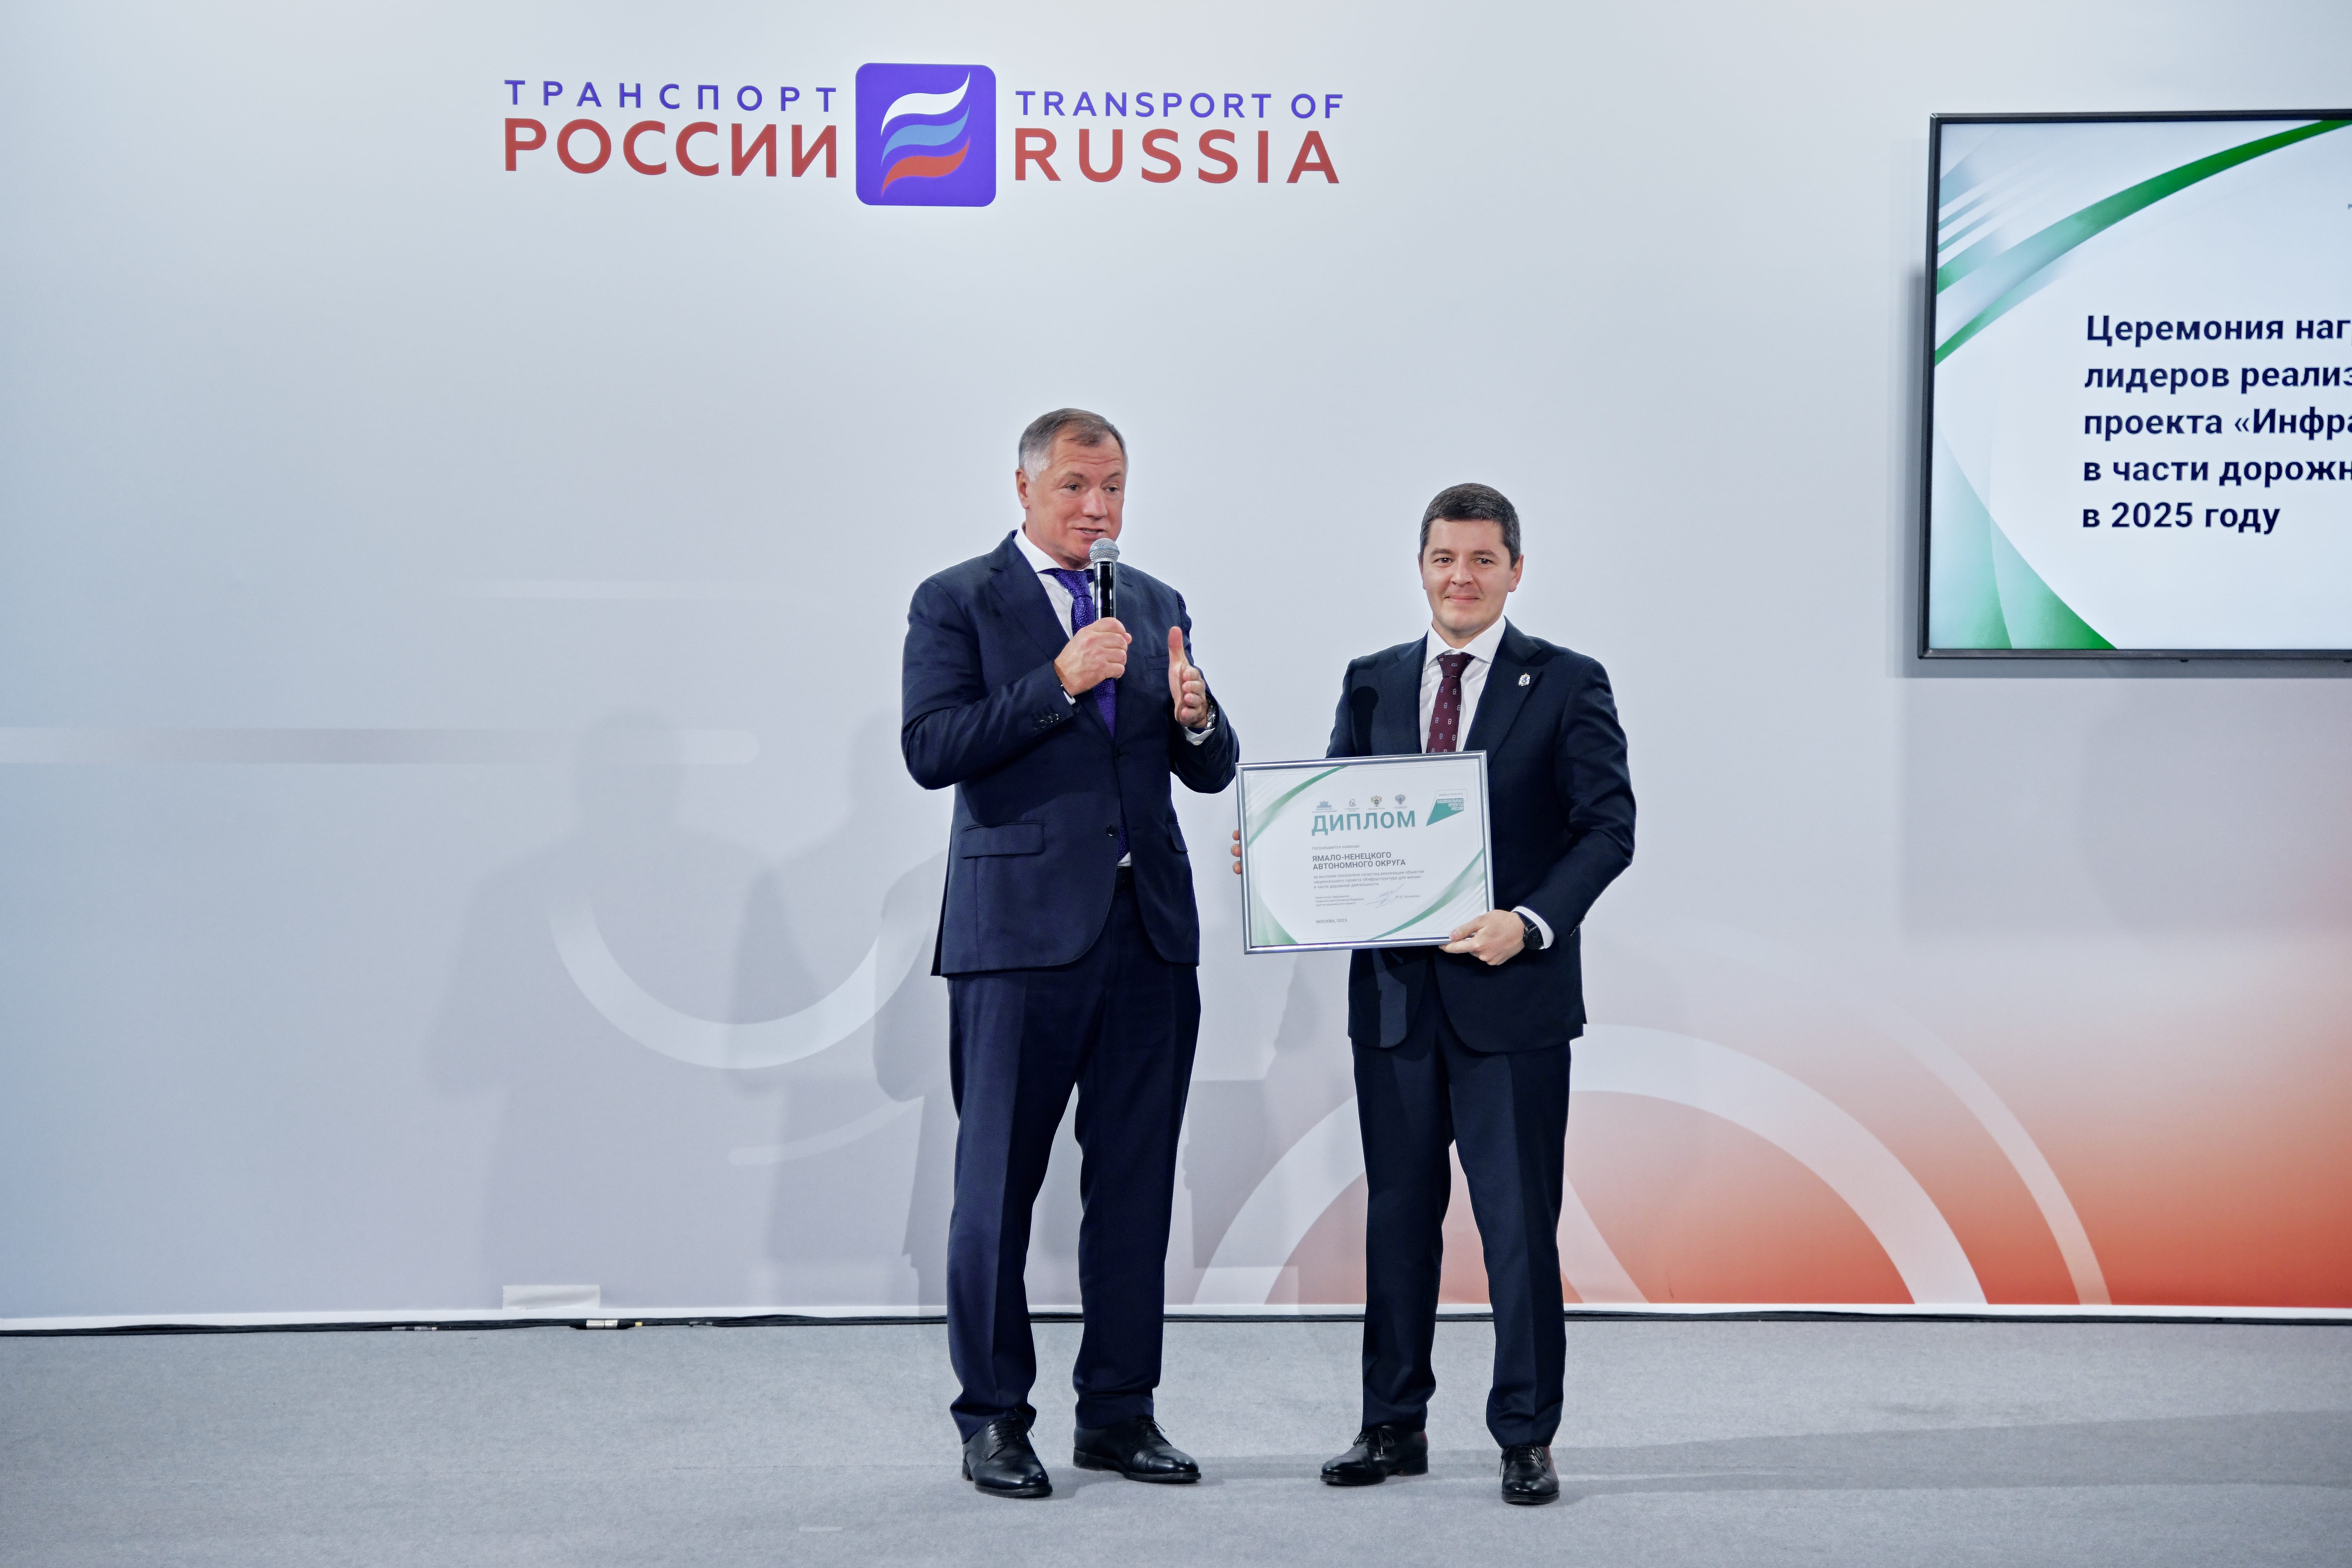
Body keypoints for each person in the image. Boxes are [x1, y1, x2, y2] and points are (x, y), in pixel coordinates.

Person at [1231, 482, 1634, 1504]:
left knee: (1518, 1228)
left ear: (1515, 571)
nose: (1462, 577)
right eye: (1445, 558)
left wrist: (1528, 921)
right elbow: (1334, 812)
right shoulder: (1371, 681)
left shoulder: (1568, 682)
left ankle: (1525, 1435)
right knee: (1399, 1221)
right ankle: (1392, 1424)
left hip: (1514, 1000)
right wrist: (1278, 860)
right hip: (1397, 1005)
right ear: (1421, 566)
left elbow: (1608, 830)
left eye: (1483, 560)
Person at [902, 408, 1238, 1499]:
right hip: (1017, 940)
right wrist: (1057, 681)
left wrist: (1197, 717)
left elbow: (1210, 767)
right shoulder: (957, 600)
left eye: (1115, 488)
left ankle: (1120, 1414)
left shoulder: (1156, 602)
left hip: (1149, 934)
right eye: (1078, 488)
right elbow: (932, 748)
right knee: (995, 1188)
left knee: (1135, 1184)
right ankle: (994, 1418)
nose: (1099, 508)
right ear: (1026, 488)